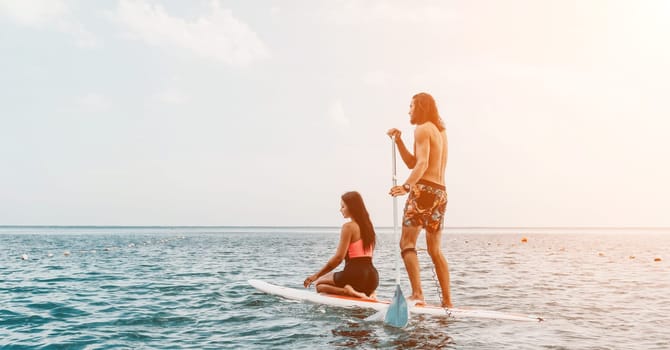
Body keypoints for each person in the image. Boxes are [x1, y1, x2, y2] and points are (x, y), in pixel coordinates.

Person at [387, 92, 453, 308]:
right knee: (435, 250)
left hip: (423, 190)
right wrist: (399, 141)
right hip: (440, 193)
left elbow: (422, 164)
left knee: (406, 243)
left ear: (421, 108)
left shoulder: (422, 128)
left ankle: (417, 294)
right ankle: (447, 302)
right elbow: (413, 163)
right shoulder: (440, 132)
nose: (409, 110)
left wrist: (406, 186)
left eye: (411, 106)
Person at [303, 191, 379, 300]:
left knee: (319, 285)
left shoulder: (348, 227)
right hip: (373, 278)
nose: (340, 210)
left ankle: (348, 291)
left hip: (355, 275)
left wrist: (316, 276)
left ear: (352, 207)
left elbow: (339, 258)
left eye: (343, 206)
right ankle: (370, 293)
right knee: (343, 279)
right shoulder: (369, 228)